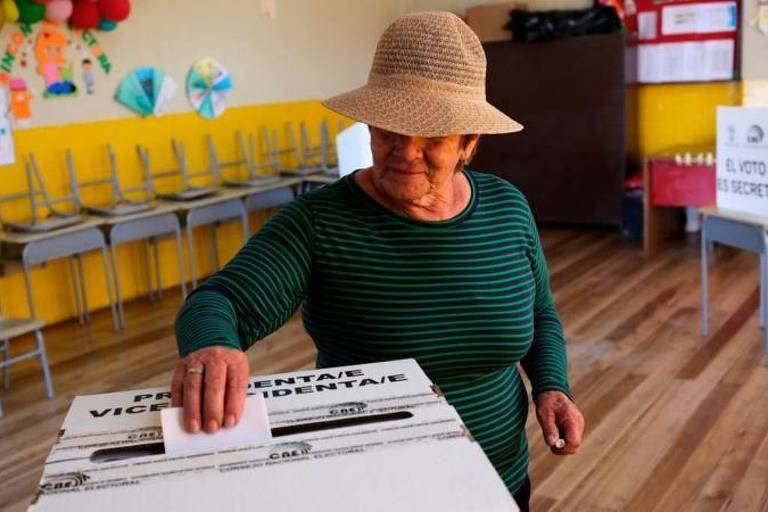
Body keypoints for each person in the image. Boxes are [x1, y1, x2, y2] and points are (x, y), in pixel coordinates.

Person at [172, 11, 584, 511]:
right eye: (389, 130)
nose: (406, 152)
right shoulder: (319, 223)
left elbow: (541, 314)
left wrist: (551, 387)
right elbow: (220, 300)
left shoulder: (507, 208)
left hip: (500, 482)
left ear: (469, 144)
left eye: (432, 138)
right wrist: (213, 347)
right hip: (374, 489)